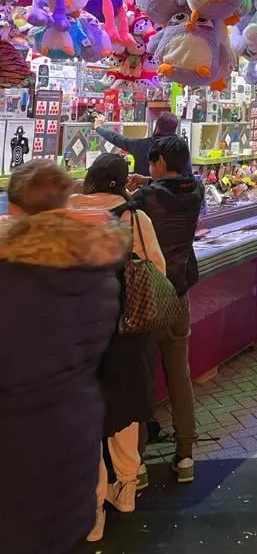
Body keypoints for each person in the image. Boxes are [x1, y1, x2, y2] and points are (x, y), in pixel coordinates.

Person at [0, 160, 128, 554]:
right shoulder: (95, 270)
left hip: (15, 457)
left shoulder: (13, 277)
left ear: (16, 210)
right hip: (72, 441)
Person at [81, 154, 166, 542]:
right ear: (122, 181)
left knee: (87, 420)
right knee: (127, 409)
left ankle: (93, 508)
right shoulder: (136, 217)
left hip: (83, 330)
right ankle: (127, 490)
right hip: (129, 329)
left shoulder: (72, 215)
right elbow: (157, 270)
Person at [131, 135, 204, 483]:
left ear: (159, 162)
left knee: (140, 379)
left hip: (147, 296)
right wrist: (149, 181)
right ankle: (186, 456)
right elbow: (173, 187)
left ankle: (138, 463)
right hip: (179, 295)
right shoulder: (196, 191)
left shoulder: (144, 198)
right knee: (180, 375)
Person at [94, 111, 190, 177]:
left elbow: (117, 139)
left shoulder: (143, 145)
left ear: (157, 127)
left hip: (146, 201)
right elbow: (189, 173)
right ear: (175, 129)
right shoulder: (181, 148)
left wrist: (98, 127)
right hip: (178, 201)